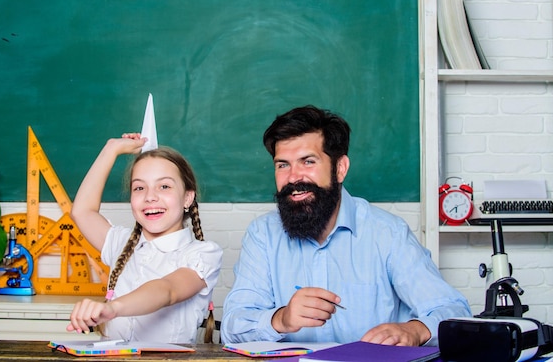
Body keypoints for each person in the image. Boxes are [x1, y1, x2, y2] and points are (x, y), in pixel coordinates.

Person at [221, 105, 471, 346]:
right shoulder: (263, 234)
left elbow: (453, 311)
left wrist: (415, 330)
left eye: (308, 162)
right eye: (282, 165)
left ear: (340, 168)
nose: (293, 177)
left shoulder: (388, 233)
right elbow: (232, 327)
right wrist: (280, 319)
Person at [67, 133, 223, 344]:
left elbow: (167, 290)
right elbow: (82, 211)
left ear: (187, 197)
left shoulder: (202, 254)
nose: (150, 196)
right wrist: (111, 149)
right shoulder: (120, 242)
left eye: (164, 186)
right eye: (139, 187)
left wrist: (112, 308)